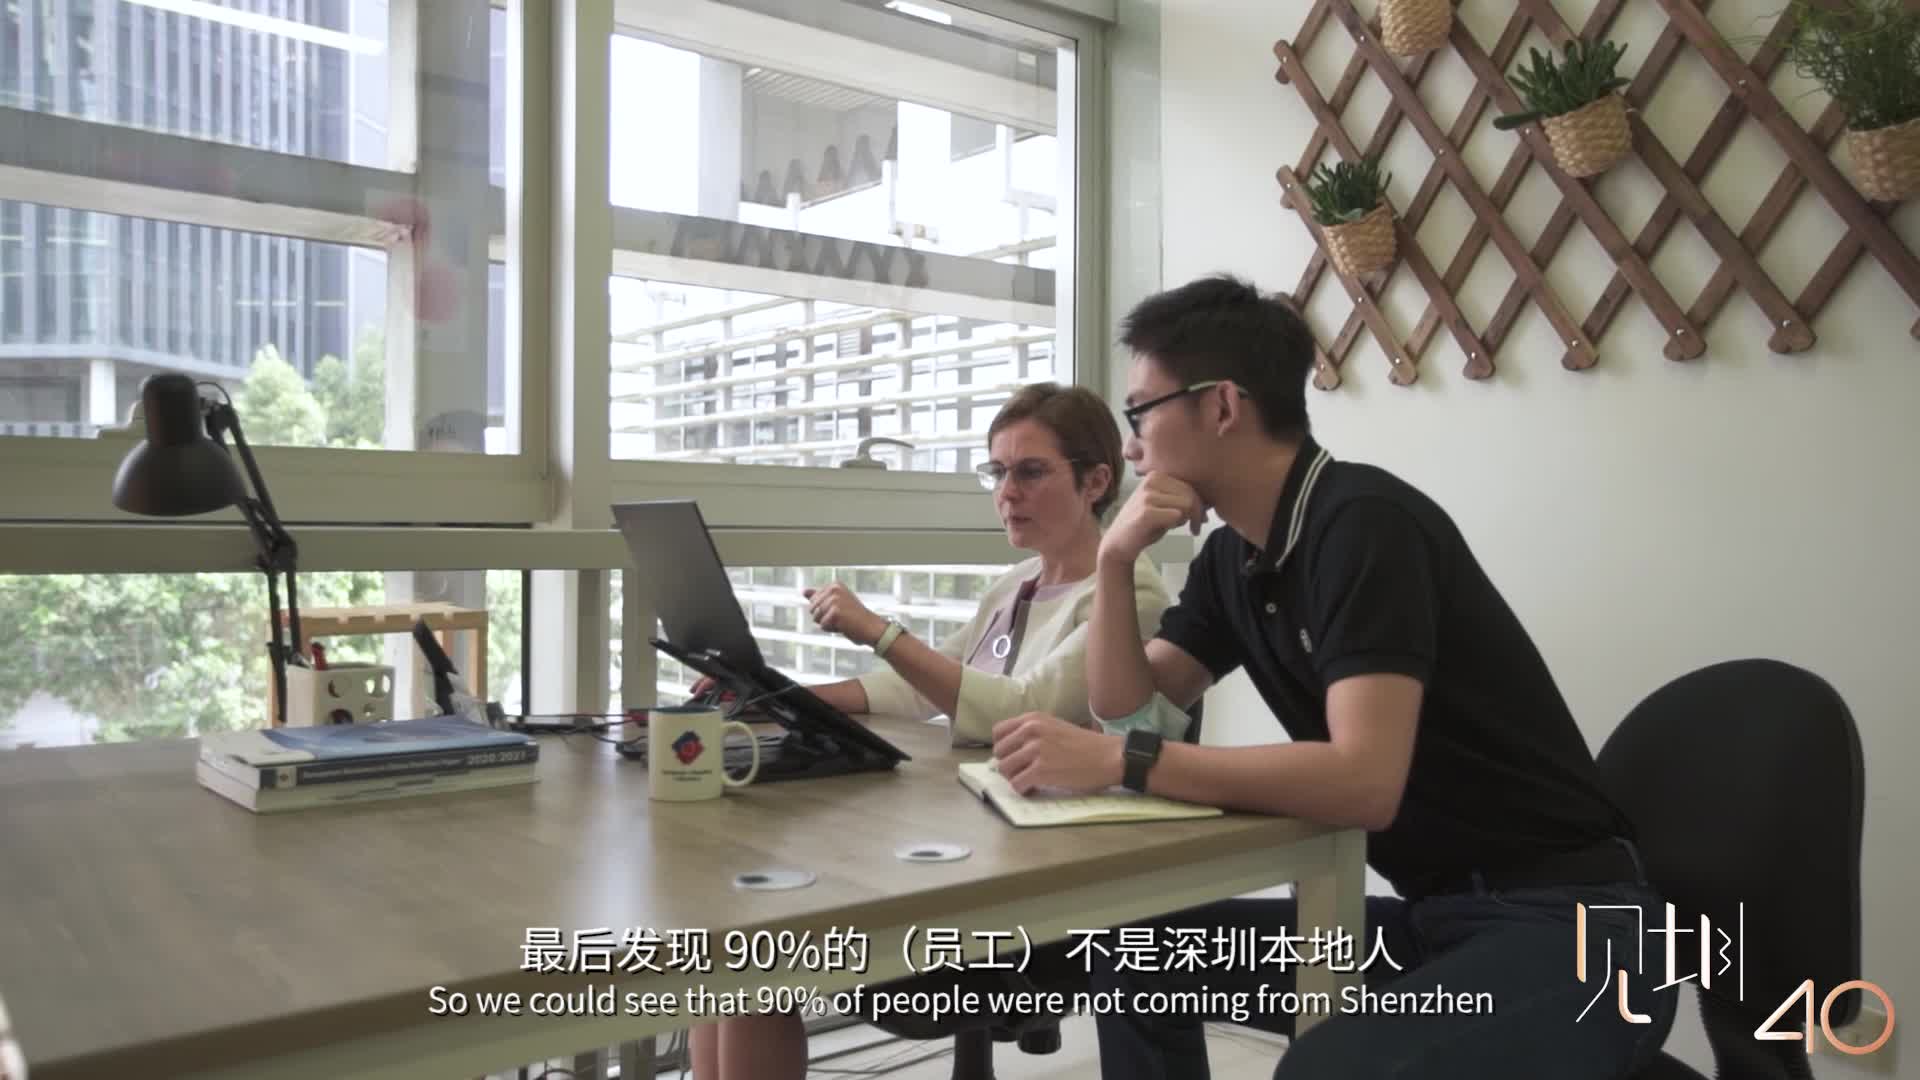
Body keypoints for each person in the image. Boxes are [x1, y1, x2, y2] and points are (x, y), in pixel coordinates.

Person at [988, 275, 1678, 1079]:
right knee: (1137, 954)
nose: (1133, 446)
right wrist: (1113, 560)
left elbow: (1362, 783)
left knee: (1326, 1071)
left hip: (1583, 933)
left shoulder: (1364, 525)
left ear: (1222, 406)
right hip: (1437, 919)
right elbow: (1129, 712)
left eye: (1142, 412)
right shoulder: (1234, 558)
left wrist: (1126, 761)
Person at [689, 382, 1190, 1080]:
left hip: (1045, 899)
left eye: (1030, 471)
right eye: (998, 472)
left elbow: (1020, 706)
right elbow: (916, 688)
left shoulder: (1128, 593)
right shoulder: (1015, 585)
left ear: (1097, 481)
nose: (1007, 492)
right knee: (733, 944)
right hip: (977, 846)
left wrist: (879, 631)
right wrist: (773, 696)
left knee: (757, 954)